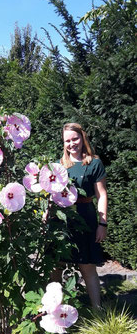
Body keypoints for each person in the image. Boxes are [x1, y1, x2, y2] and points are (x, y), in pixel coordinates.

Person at [58, 122, 107, 308]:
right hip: (61, 221)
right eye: (67, 141)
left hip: (85, 219)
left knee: (87, 267)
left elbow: (102, 195)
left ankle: (97, 311)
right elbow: (50, 195)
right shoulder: (59, 165)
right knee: (56, 266)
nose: (72, 143)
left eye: (75, 138)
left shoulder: (94, 163)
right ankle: (57, 312)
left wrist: (103, 224)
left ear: (83, 138)